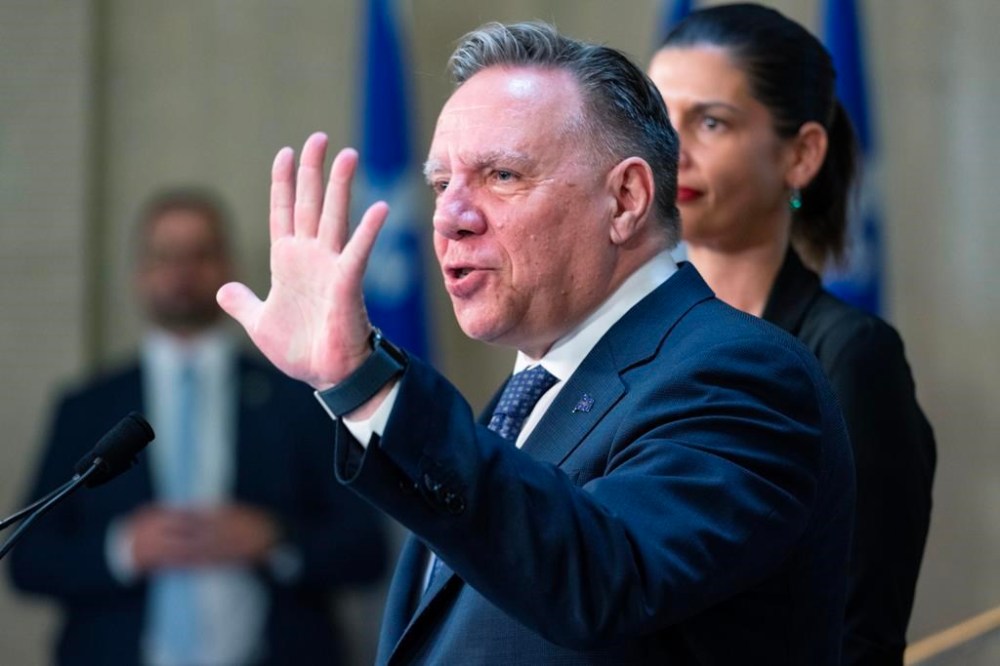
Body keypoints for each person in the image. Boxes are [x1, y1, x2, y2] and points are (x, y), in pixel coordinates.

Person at [217, 22, 855, 664]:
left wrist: (369, 383)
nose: (450, 218)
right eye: (441, 185)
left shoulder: (739, 373)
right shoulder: (524, 398)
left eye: (501, 175)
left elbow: (604, 578)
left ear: (625, 199)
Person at [647, 4, 936, 663]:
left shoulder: (851, 357)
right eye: (658, 118)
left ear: (801, 154)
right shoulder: (619, 336)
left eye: (711, 122)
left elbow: (858, 633)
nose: (672, 151)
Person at [9, 189, 388, 665]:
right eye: (166, 255)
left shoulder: (298, 395)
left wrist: (276, 541)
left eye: (200, 254)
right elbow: (28, 559)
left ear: (228, 265)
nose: (182, 272)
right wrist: (123, 550)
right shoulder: (87, 407)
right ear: (140, 272)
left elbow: (367, 550)